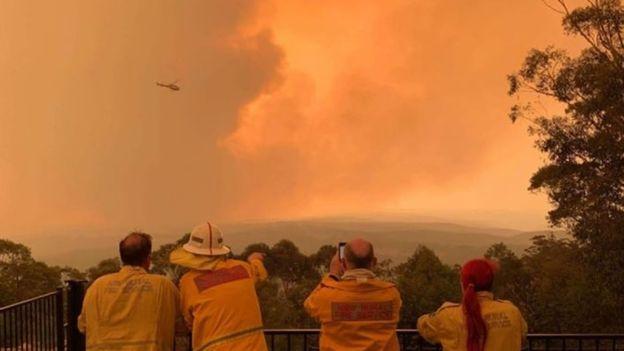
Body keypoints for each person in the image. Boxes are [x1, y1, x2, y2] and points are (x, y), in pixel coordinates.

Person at [170, 222, 268, 351]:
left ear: (192, 253)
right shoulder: (243, 268)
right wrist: (255, 260)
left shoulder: (188, 282)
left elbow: (189, 321)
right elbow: (259, 273)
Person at [78, 232, 181, 351]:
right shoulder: (164, 286)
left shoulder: (97, 287)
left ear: (122, 258)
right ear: (148, 259)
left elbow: (83, 326)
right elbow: (181, 325)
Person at [304, 238, 402, 351]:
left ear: (344, 263)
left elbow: (309, 305)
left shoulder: (326, 296)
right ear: (374, 262)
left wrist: (333, 275)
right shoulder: (391, 294)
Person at [417, 258, 527, 351]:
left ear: (463, 284)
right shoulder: (512, 311)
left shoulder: (448, 315)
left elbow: (423, 326)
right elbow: (522, 335)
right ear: (491, 283)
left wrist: (444, 309)